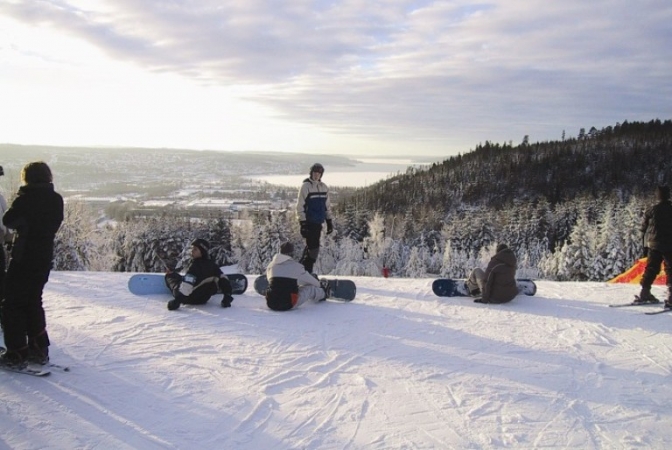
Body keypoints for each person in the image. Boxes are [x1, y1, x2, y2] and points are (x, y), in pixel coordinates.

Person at [0, 162, 64, 367]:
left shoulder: (26, 200)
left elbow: (8, 220)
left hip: (24, 257)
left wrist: (21, 197)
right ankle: (39, 349)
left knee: (12, 303)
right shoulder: (56, 199)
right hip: (44, 258)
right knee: (33, 301)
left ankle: (16, 352)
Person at [165, 238, 234, 311]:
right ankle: (175, 275)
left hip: (189, 298)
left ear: (202, 252)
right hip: (204, 299)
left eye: (195, 249)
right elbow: (223, 279)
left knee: (172, 280)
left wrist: (176, 302)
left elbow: (187, 286)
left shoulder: (195, 266)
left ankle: (171, 275)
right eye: (192, 249)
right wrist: (227, 296)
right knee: (213, 277)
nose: (192, 251)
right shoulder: (212, 265)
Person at [265, 242, 329, 311]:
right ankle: (324, 293)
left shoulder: (271, 266)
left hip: (271, 303)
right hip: (289, 304)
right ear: (292, 253)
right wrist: (319, 285)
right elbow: (311, 282)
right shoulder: (296, 266)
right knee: (310, 289)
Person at [638, 185, 672, 307]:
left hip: (653, 244)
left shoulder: (651, 210)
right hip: (669, 244)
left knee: (651, 268)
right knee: (670, 269)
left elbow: (643, 229)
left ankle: (644, 292)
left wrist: (645, 247)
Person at [296, 163, 333, 274]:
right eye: (315, 173)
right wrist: (302, 223)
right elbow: (300, 206)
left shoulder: (324, 187)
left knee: (312, 248)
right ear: (311, 173)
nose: (316, 175)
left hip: (318, 223)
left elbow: (327, 206)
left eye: (319, 173)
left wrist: (329, 221)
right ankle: (306, 271)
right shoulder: (306, 186)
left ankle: (302, 271)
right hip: (309, 222)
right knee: (313, 248)